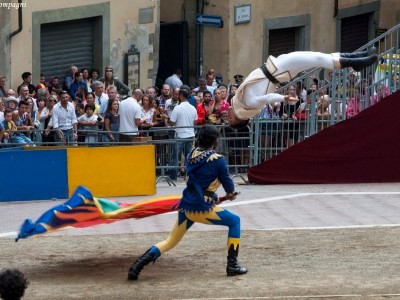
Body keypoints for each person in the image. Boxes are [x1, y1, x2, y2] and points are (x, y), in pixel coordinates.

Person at [128, 125, 247, 281]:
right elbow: (228, 186)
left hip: (186, 205)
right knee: (235, 222)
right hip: (201, 208)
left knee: (170, 241)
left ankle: (137, 266)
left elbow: (200, 183)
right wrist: (230, 194)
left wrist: (213, 196)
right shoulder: (218, 160)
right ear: (214, 141)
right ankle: (232, 265)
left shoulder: (192, 154)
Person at [228, 50, 378, 128]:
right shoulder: (248, 104)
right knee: (318, 59)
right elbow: (268, 98)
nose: (228, 116)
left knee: (318, 56)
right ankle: (354, 62)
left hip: (278, 67)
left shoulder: (241, 100)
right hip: (280, 69)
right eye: (231, 119)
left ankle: (356, 57)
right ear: (241, 116)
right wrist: (284, 98)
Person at [168, 88, 198, 180]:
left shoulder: (177, 108)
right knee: (189, 156)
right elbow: (195, 121)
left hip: (180, 135)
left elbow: (172, 122)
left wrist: (169, 121)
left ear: (181, 96)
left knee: (176, 156)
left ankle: (173, 176)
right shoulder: (192, 108)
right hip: (190, 134)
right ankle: (189, 175)